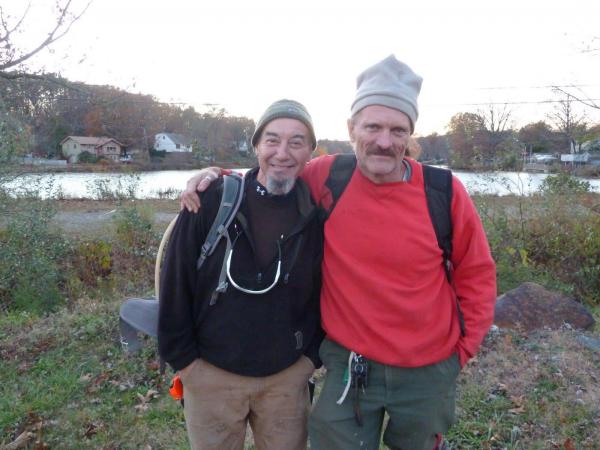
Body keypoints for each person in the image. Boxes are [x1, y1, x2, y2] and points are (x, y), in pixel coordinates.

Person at [181, 55, 497, 450]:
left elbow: (477, 274)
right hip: (350, 366)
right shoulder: (329, 177)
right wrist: (215, 176)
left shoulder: (443, 193)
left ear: (410, 136)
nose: (384, 141)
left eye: (397, 129)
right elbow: (271, 171)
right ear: (351, 129)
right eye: (373, 127)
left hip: (428, 370)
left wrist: (461, 352)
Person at [158, 99, 324, 450]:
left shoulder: (316, 216)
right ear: (257, 146)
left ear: (310, 150)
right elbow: (174, 282)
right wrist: (186, 365)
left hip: (286, 379)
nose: (283, 152)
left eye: (296, 142)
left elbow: (326, 290)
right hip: (210, 375)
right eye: (272, 140)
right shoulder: (212, 199)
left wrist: (310, 359)